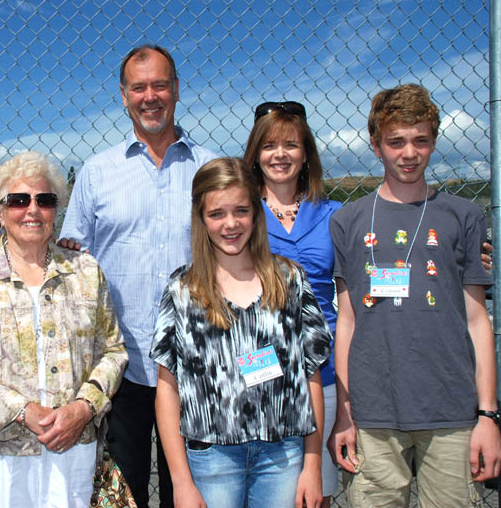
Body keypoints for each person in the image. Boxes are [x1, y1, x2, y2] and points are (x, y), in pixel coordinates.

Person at [59, 44, 219, 508]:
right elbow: (74, 260)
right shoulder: (97, 173)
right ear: (124, 96)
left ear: (176, 90)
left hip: (196, 364)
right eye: (139, 87)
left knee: (188, 492)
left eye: (160, 85)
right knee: (123, 493)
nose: (150, 96)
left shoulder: (209, 168)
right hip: (121, 366)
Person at [327, 83, 501, 506]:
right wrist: (345, 413)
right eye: (396, 142)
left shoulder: (463, 215)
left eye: (421, 141)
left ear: (434, 142)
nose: (408, 153)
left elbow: (478, 320)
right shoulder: (348, 221)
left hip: (451, 411)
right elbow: (346, 322)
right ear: (375, 144)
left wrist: (488, 415)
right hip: (374, 414)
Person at [0, 151, 128, 507]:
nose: (33, 209)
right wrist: (21, 410)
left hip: (71, 441)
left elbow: (114, 351)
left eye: (45, 200)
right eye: (19, 200)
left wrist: (84, 408)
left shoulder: (85, 272)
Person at [151, 157, 331, 508]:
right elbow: (167, 389)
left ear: (256, 214)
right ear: (201, 219)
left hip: (283, 456)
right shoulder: (182, 289)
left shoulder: (289, 280)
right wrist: (181, 483)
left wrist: (313, 465)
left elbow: (311, 377)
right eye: (217, 214)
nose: (230, 224)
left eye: (241, 211)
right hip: (212, 458)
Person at [242, 101, 340, 506]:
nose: (279, 155)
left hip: (325, 368)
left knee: (316, 491)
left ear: (306, 154)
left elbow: (383, 257)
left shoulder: (336, 215)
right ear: (255, 154)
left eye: (290, 145)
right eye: (268, 146)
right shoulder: (241, 214)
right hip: (260, 370)